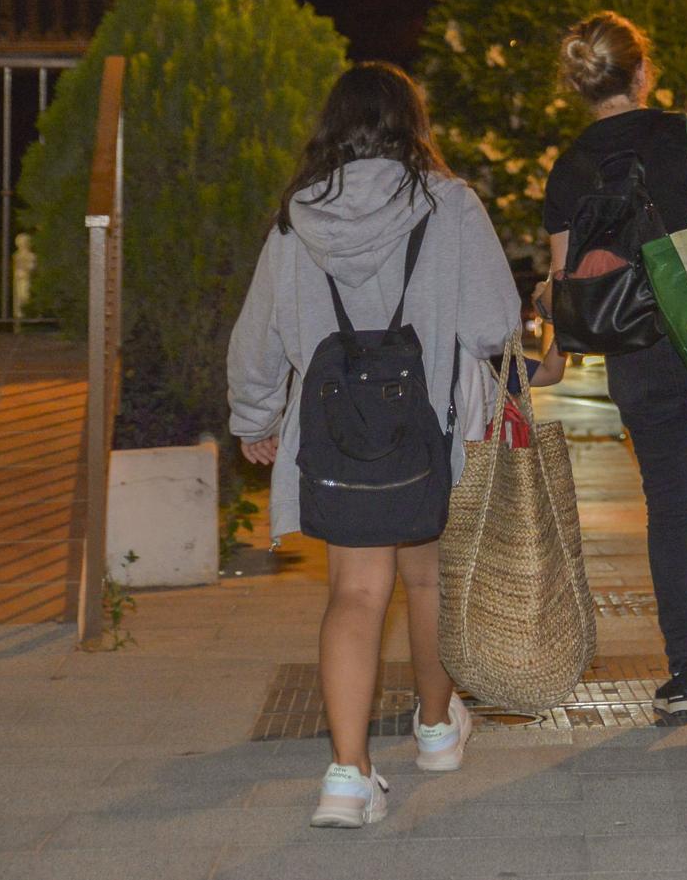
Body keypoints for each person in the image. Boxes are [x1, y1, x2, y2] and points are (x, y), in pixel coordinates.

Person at [227, 62, 520, 828]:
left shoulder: (297, 217)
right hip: (430, 430)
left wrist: (254, 416)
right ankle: (433, 727)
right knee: (426, 582)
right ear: (413, 126)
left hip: (335, 440)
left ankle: (348, 777)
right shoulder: (451, 206)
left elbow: (259, 333)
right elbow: (493, 324)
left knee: (355, 593)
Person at [530, 10, 687, 724]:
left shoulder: (570, 165)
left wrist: (550, 359)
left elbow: (566, 282)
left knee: (668, 504)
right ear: (642, 72)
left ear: (582, 82)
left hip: (638, 349)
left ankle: (684, 675)